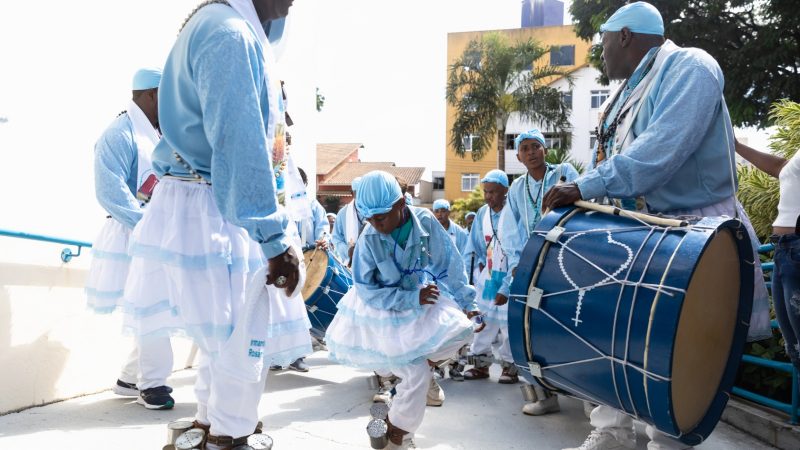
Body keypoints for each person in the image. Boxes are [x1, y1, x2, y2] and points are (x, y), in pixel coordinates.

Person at [542, 3, 770, 449]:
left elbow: (659, 152)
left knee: (681, 354)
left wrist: (585, 185)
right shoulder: (624, 93)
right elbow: (608, 159)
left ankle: (667, 441)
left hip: (696, 235)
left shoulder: (691, 66)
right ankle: (611, 433)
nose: (601, 53)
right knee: (620, 340)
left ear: (625, 36)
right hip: (641, 233)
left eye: (603, 41)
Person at [122, 1, 311, 448]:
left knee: (221, 337)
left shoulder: (217, 24)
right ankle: (230, 433)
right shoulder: (231, 34)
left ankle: (213, 422)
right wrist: (272, 238)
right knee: (241, 341)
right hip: (217, 203)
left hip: (206, 198)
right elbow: (238, 140)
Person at [325, 170, 480, 450]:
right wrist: (410, 299)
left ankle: (401, 406)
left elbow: (449, 264)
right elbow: (366, 289)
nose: (374, 224)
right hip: (381, 308)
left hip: (420, 298)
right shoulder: (369, 238)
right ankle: (398, 436)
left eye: (380, 217)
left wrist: (469, 304)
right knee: (416, 373)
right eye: (368, 218)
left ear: (400, 205)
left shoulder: (425, 222)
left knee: (461, 334)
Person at [85, 68, 175, 408]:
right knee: (154, 306)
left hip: (158, 233)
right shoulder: (119, 133)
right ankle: (153, 385)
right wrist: (147, 227)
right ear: (151, 94)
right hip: (133, 232)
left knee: (156, 305)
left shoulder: (158, 132)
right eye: (167, 97)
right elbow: (110, 193)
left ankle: (128, 377)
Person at [495, 129, 579, 416]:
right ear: (518, 156)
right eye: (524, 148)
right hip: (534, 262)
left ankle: (584, 392)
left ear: (545, 150)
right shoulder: (517, 188)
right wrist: (521, 261)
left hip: (567, 258)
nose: (530, 152)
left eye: (535, 146)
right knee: (531, 326)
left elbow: (581, 210)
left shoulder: (563, 172)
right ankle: (545, 395)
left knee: (571, 322)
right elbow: (511, 229)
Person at [735, 138, 800, 372]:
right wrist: (737, 146)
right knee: (795, 348)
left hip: (795, 248)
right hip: (785, 249)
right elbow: (782, 168)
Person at [460, 169, 518, 383]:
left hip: (510, 276)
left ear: (505, 191)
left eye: (493, 192)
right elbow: (472, 247)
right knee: (482, 321)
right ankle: (480, 365)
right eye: (486, 192)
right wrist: (466, 280)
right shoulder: (482, 214)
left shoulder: (514, 212)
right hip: (488, 276)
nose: (488, 196)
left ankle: (510, 367)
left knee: (508, 325)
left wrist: (507, 285)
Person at [331, 177, 365, 267]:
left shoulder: (373, 210)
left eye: (364, 192)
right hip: (351, 264)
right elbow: (336, 239)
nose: (362, 196)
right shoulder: (343, 213)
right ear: (352, 193)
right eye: (358, 193)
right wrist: (348, 251)